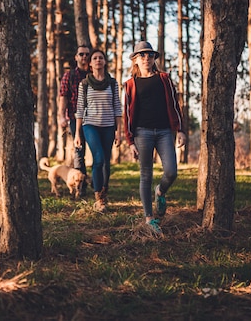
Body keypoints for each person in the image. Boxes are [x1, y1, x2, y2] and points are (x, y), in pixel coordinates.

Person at [123, 41, 185, 234]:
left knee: (171, 171)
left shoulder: (164, 79)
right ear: (135, 60)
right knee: (145, 175)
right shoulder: (130, 84)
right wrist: (130, 140)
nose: (146, 58)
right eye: (142, 55)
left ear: (154, 58)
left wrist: (180, 129)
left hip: (164, 131)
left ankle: (160, 191)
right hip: (142, 133)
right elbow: (126, 114)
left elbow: (175, 105)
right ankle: (149, 218)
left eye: (149, 55)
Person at [74, 49, 123, 212]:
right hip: (90, 125)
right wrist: (77, 133)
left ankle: (104, 191)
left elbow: (117, 107)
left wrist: (119, 130)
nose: (98, 60)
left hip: (109, 126)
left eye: (101, 57)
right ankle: (98, 198)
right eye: (94, 58)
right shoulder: (85, 84)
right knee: (99, 158)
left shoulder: (112, 83)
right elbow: (80, 108)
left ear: (104, 61)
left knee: (106, 162)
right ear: (90, 63)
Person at [58, 44, 92, 195]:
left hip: (96, 119)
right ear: (76, 57)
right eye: (81, 54)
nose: (84, 57)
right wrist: (61, 116)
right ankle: (80, 187)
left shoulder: (95, 74)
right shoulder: (69, 76)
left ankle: (99, 185)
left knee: (98, 153)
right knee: (79, 152)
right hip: (74, 118)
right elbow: (63, 97)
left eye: (86, 54)